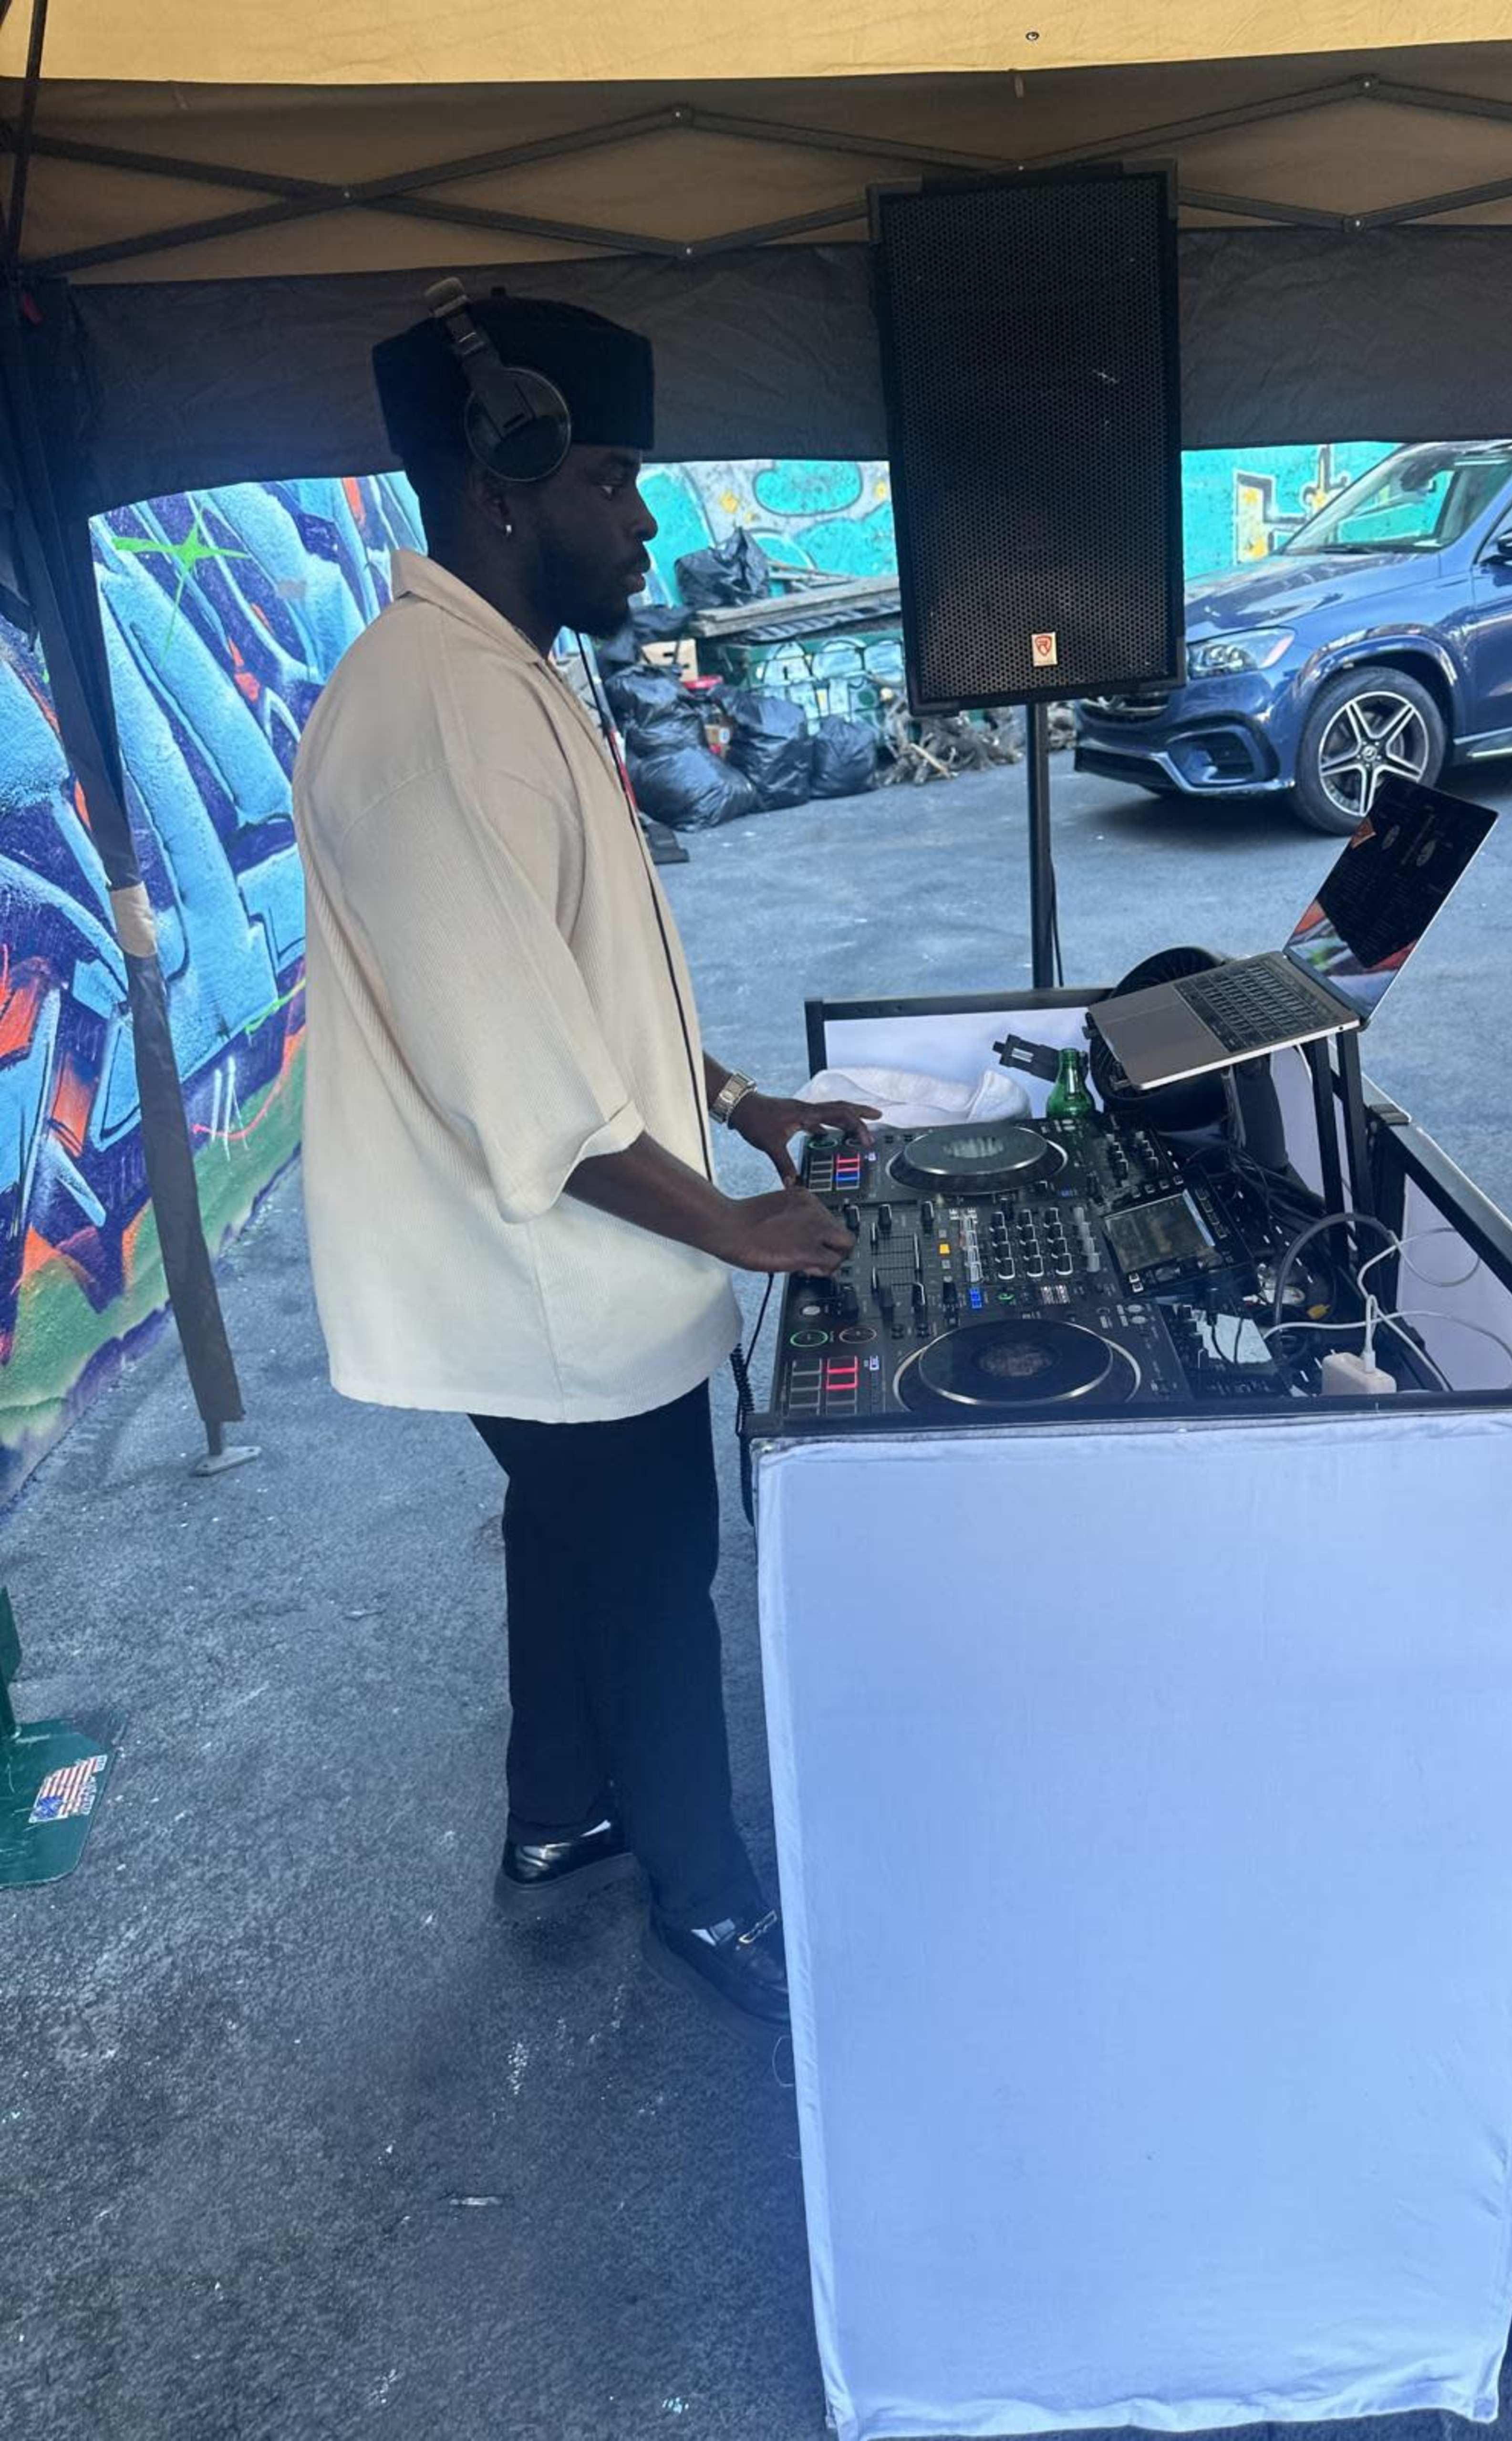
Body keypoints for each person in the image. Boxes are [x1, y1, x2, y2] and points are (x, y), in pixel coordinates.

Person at [290, 289, 877, 2032]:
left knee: (567, 1544)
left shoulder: (501, 676)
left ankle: (560, 1814)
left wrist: (745, 1105)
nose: (647, 522)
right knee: (646, 1577)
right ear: (503, 487)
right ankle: (712, 1902)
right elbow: (527, 1087)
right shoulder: (430, 721)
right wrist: (737, 1227)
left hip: (574, 1249)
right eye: (613, 481)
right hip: (550, 1276)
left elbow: (585, 986)